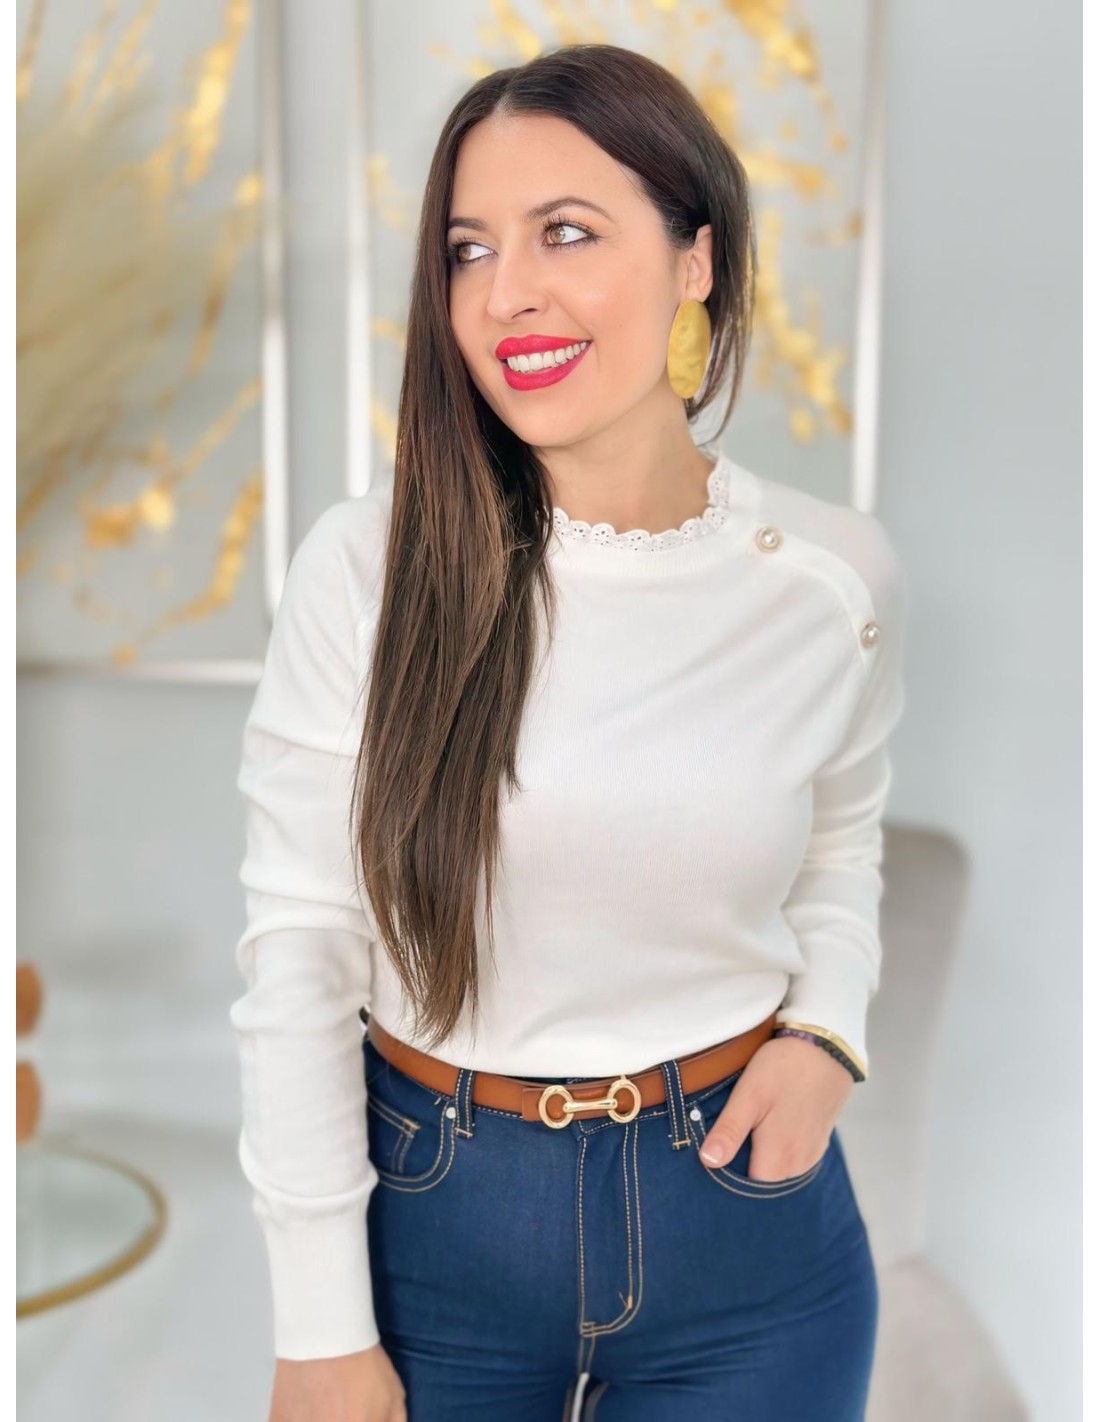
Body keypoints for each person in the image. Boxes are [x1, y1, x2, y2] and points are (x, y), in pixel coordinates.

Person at [231, 41, 907, 1422]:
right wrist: (318, 1328)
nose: (507, 293)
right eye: (469, 249)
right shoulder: (367, 570)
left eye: (568, 233)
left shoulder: (833, 577)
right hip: (434, 1233)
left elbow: (841, 841)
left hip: (749, 1239)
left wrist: (826, 1033)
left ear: (695, 259)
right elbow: (298, 953)